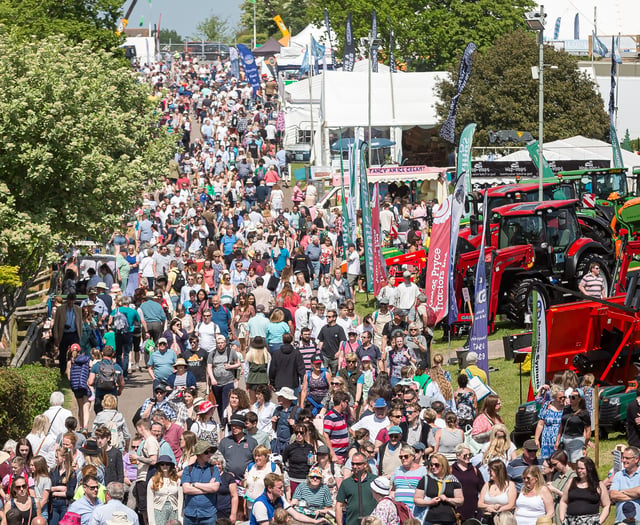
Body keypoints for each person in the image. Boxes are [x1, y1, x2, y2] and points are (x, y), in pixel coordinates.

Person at [249, 473, 324, 525]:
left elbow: (296, 515)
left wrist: (314, 521)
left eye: (282, 487)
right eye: (279, 488)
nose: (282, 489)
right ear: (269, 488)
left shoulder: (280, 498)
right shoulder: (260, 505)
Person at [413, 453, 463, 525]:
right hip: (430, 520)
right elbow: (417, 499)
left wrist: (447, 499)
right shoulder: (426, 479)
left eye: (436, 465)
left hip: (449, 520)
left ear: (444, 465)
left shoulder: (453, 480)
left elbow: (460, 500)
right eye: (431, 465)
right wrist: (430, 502)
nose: (433, 467)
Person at [558, 456, 610, 525]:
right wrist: (562, 519)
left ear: (589, 469)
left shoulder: (599, 485)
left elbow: (607, 505)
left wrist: (599, 522)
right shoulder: (571, 481)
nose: (579, 470)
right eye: (578, 468)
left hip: (590, 522)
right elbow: (563, 501)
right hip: (571, 521)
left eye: (582, 468)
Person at [181, 441, 221, 525]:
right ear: (199, 454)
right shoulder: (188, 469)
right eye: (206, 452)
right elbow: (186, 489)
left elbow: (215, 488)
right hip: (190, 515)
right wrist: (207, 489)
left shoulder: (214, 469)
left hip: (208, 514)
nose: (209, 454)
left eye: (210, 452)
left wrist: (195, 484)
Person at [336, 453, 377, 525]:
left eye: (358, 464)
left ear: (365, 464)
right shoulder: (346, 483)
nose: (355, 466)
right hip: (352, 522)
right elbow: (339, 505)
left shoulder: (375, 480)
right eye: (353, 464)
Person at [555, 389, 591, 466]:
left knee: (575, 463)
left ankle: (575, 477)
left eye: (573, 397)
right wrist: (558, 440)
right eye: (570, 397)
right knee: (565, 463)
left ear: (579, 399)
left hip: (577, 440)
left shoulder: (584, 413)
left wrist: (584, 446)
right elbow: (562, 425)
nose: (571, 399)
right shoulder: (566, 409)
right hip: (565, 439)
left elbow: (588, 431)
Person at [391, 444, 427, 516]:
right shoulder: (397, 470)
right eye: (401, 457)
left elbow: (426, 491)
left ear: (412, 456)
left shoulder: (423, 470)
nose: (403, 458)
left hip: (414, 511)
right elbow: (393, 490)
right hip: (398, 511)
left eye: (406, 456)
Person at [451, 444, 484, 522]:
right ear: (458, 455)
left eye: (470, 454)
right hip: (457, 509)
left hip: (474, 508)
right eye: (465, 455)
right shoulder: (451, 470)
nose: (468, 457)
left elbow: (482, 488)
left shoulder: (475, 470)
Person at [478, 459, 517, 524]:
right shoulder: (487, 484)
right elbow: (479, 504)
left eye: (490, 471)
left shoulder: (510, 485)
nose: (489, 473)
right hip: (487, 519)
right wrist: (489, 507)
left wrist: (498, 509)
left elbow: (511, 505)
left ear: (498, 472)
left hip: (503, 520)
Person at [87, 346, 124, 414]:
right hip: (112, 396)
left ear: (102, 353)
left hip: (99, 395)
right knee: (112, 416)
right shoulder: (117, 367)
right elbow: (122, 383)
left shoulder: (96, 366)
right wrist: (119, 391)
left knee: (99, 415)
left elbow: (90, 381)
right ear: (113, 354)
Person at [146, 456, 182, 525]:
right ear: (159, 466)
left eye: (167, 464)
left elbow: (180, 500)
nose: (165, 466)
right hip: (158, 511)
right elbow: (149, 503)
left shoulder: (177, 480)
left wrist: (180, 518)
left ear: (171, 466)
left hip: (174, 511)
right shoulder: (153, 480)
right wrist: (151, 522)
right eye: (162, 464)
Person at [610, 445, 640, 524]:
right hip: (621, 522)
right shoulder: (618, 475)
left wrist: (621, 491)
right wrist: (635, 494)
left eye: (627, 458)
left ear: (636, 459)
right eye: (623, 457)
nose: (623, 460)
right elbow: (613, 494)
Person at [534, 385, 565, 461]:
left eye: (564, 397)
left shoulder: (566, 408)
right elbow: (540, 424)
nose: (563, 399)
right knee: (547, 462)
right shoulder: (547, 406)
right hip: (547, 440)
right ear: (554, 397)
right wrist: (536, 439)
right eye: (560, 398)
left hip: (560, 439)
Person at [49, 448, 77, 525]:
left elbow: (70, 493)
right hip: (53, 504)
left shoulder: (71, 473)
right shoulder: (53, 471)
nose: (55, 459)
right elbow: (49, 488)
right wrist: (59, 488)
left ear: (64, 458)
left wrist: (54, 492)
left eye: (57, 457)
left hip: (65, 504)